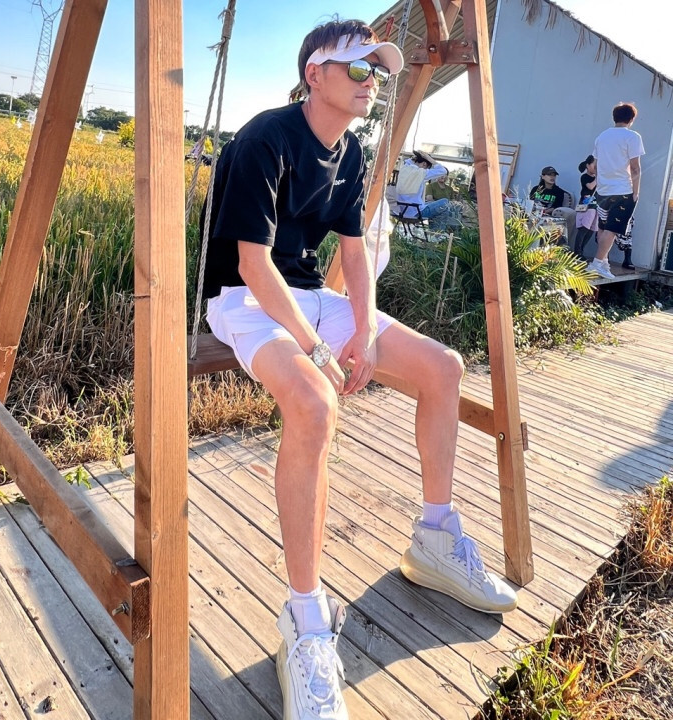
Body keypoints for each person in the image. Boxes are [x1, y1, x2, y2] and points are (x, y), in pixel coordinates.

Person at [201, 18, 517, 720]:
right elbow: (253, 266)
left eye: (379, 71)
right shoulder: (264, 139)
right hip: (245, 300)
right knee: (317, 403)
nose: (373, 81)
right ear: (314, 74)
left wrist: (365, 332)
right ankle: (306, 620)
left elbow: (352, 254)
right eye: (359, 69)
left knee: (443, 367)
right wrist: (317, 349)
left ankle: (435, 538)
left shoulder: (351, 150)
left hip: (312, 297)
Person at [587, 102, 644, 279]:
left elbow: (594, 166)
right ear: (631, 119)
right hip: (622, 190)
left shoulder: (602, 136)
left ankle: (603, 262)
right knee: (612, 229)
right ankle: (596, 264)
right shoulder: (632, 137)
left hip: (603, 190)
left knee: (603, 227)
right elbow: (635, 168)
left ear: (614, 117)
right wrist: (636, 192)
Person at [394, 150, 450, 220]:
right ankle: (437, 226)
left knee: (431, 203)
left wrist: (417, 157)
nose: (427, 170)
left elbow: (409, 161)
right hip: (416, 212)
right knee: (445, 201)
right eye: (427, 168)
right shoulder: (420, 173)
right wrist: (428, 157)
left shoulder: (405, 169)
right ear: (424, 164)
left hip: (402, 211)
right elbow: (443, 171)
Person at [528, 166, 576, 245]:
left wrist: (544, 211)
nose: (552, 177)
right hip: (534, 214)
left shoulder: (559, 192)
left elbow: (557, 207)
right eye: (549, 175)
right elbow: (530, 202)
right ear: (543, 176)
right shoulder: (536, 189)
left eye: (554, 175)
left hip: (548, 216)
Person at [573, 155, 597, 259]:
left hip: (596, 205)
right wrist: (598, 177)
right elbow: (590, 187)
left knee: (591, 229)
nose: (596, 167)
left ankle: (581, 250)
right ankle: (577, 252)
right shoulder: (584, 177)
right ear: (588, 165)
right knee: (584, 228)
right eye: (594, 165)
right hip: (586, 204)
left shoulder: (597, 178)